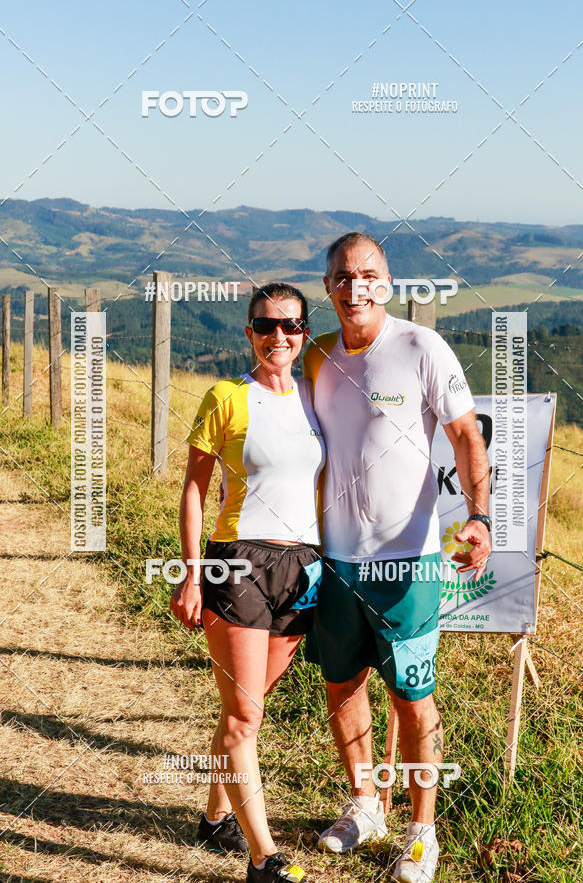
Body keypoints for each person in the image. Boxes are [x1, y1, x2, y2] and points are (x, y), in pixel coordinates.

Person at [303, 233, 492, 883]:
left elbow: (467, 433)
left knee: (414, 701)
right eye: (342, 276)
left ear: (386, 282)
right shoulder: (318, 356)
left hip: (407, 566)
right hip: (334, 564)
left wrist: (479, 515)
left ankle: (421, 833)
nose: (355, 287)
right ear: (327, 286)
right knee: (342, 688)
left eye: (369, 274)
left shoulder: (420, 348)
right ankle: (364, 806)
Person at [170, 282, 325, 883]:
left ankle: (214, 818)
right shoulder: (226, 397)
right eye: (266, 326)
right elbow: (193, 488)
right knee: (244, 718)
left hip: (303, 568)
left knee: (244, 710)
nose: (278, 337)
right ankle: (263, 857)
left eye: (290, 326)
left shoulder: (318, 397)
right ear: (249, 332)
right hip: (236, 562)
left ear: (304, 332)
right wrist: (190, 573)